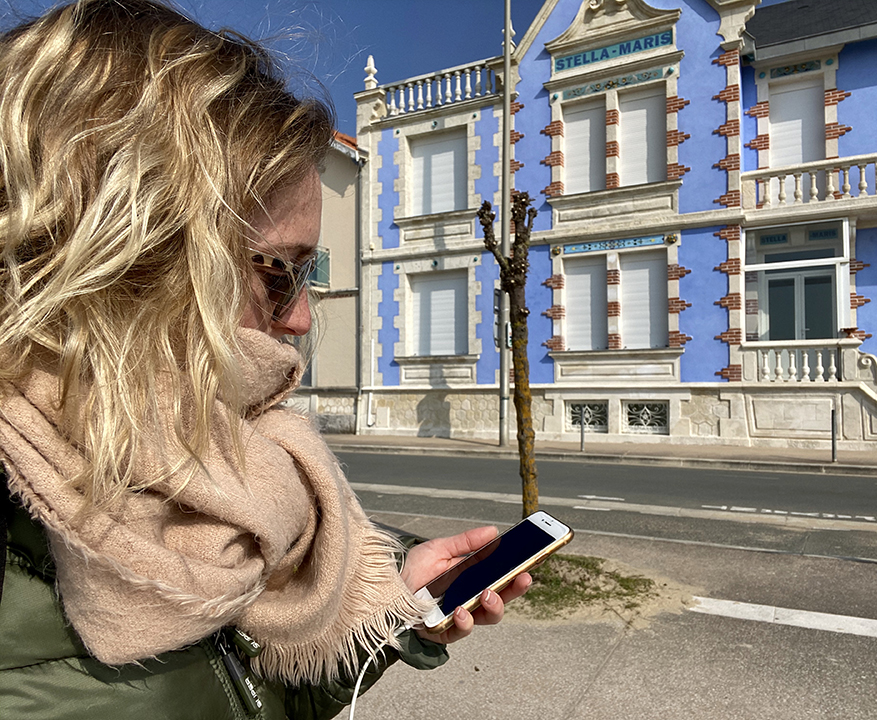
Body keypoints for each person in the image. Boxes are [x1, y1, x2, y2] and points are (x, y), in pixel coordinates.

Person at [0, 1, 531, 717]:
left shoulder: (229, 479)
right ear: (129, 253)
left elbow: (247, 694)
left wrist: (385, 606)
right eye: (281, 272)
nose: (304, 317)